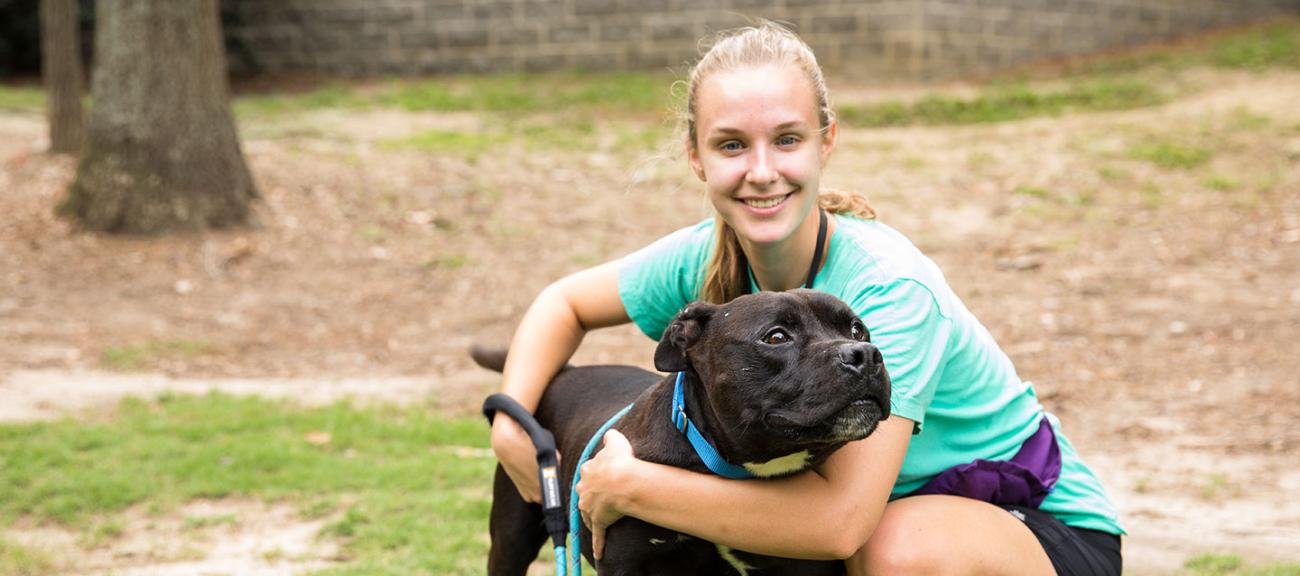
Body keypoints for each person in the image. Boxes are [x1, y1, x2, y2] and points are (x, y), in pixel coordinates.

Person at [490, 21, 1123, 575]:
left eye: (787, 139)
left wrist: (631, 485)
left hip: (1030, 530)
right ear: (696, 156)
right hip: (891, 518)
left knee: (889, 551)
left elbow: (837, 525)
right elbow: (562, 304)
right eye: (732, 145)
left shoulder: (890, 288)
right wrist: (512, 426)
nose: (762, 171)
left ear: (826, 141)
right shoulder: (709, 252)